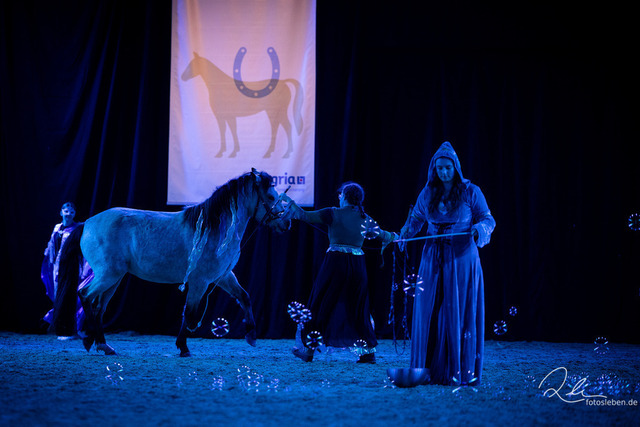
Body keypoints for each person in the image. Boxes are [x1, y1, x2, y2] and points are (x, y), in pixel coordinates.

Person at [399, 141, 495, 385]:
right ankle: (428, 368)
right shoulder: (427, 193)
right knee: (428, 310)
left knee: (457, 310)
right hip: (432, 257)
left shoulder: (471, 191)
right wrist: (405, 234)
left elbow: (488, 219)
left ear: (456, 168)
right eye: (439, 168)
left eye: (447, 167)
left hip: (461, 258)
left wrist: (478, 229)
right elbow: (416, 219)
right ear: (434, 169)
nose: (443, 172)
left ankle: (457, 369)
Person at [282, 182, 396, 363]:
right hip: (357, 265)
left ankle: (308, 351)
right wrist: (394, 236)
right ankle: (367, 353)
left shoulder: (332, 213)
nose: (339, 197)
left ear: (345, 196)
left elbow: (304, 215)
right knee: (358, 308)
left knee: (319, 305)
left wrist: (289, 202)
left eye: (340, 194)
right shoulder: (365, 218)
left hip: (335, 263)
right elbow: (383, 235)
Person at [41, 202, 92, 339]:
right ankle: (62, 327)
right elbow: (52, 246)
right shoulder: (57, 227)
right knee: (58, 294)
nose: (68, 214)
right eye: (66, 211)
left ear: (74, 214)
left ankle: (72, 328)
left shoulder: (78, 228)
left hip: (72, 266)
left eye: (71, 212)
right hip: (57, 267)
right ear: (61, 212)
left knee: (70, 296)